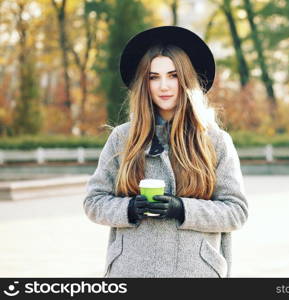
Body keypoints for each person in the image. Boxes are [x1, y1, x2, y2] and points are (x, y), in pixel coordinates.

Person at [83, 26, 248, 278]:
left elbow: (236, 211)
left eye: (172, 75)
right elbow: (94, 202)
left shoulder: (215, 141)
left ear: (186, 79)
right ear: (144, 83)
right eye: (153, 77)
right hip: (131, 270)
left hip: (195, 272)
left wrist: (182, 209)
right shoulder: (123, 138)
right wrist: (129, 208)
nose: (164, 86)